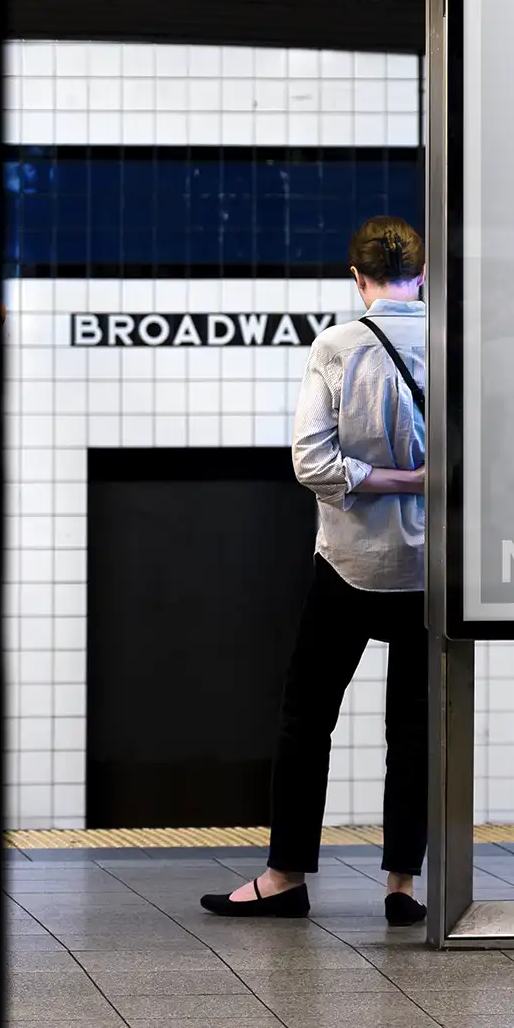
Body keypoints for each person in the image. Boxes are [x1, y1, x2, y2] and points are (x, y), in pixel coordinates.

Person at [201, 216, 428, 926]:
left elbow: (312, 462)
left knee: (306, 720)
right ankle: (402, 886)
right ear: (423, 275)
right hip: (435, 572)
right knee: (416, 732)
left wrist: (391, 479)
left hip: (349, 566)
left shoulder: (337, 346)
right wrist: (426, 481)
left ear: (357, 278)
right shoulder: (459, 343)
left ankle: (285, 877)